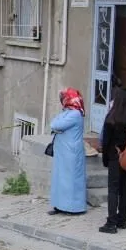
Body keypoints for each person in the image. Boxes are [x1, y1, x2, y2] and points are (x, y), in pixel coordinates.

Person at [99, 88, 126, 234]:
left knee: (113, 189)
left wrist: (105, 158)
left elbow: (105, 141)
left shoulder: (111, 118)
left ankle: (111, 222)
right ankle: (122, 220)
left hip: (115, 158)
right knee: (125, 189)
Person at [48, 88, 87, 216]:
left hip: (71, 153)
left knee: (71, 181)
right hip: (62, 152)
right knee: (60, 179)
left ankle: (73, 208)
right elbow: (53, 123)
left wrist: (58, 128)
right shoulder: (68, 112)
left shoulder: (75, 114)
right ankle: (59, 205)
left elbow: (56, 126)